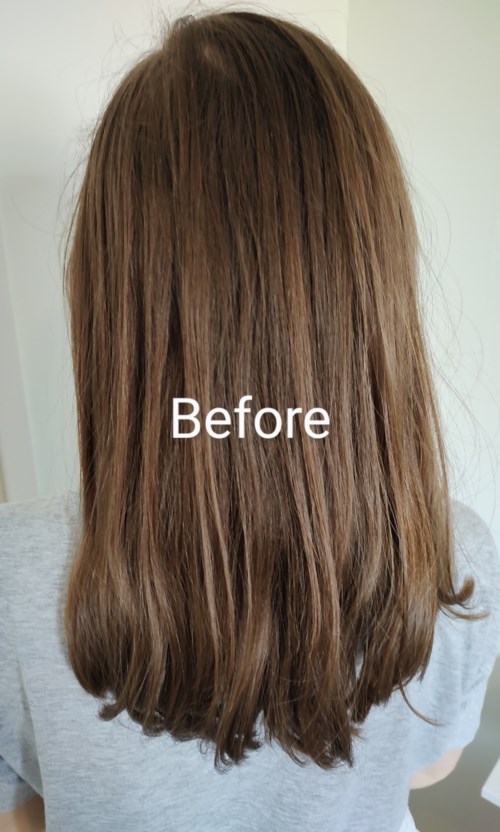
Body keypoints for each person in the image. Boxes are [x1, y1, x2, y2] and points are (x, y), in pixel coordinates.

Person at [1, 7, 499, 832]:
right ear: (369, 288)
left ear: (111, 296)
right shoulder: (452, 557)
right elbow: (429, 768)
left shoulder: (13, 575)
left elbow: (22, 814)